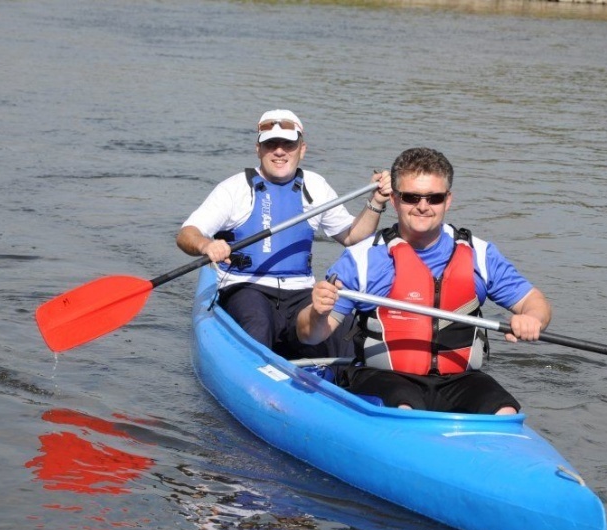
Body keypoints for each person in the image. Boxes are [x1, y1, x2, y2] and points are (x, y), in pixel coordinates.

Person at [296, 147, 552, 415]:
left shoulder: (480, 254)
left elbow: (535, 302)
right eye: (411, 197)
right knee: (405, 406)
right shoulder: (362, 259)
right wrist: (316, 313)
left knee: (506, 411)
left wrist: (533, 318)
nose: (423, 206)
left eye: (434, 198)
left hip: (458, 380)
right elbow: (310, 334)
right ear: (394, 200)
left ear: (448, 200)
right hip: (385, 380)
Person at [176, 109, 392, 359]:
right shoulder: (234, 189)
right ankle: (255, 376)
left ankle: (351, 385)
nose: (279, 151)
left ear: (302, 149)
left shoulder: (316, 186)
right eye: (271, 144)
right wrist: (206, 246)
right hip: (247, 288)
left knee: (340, 330)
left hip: (300, 291)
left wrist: (376, 201)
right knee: (258, 324)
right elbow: (187, 234)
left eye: (288, 144)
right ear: (259, 149)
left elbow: (352, 236)